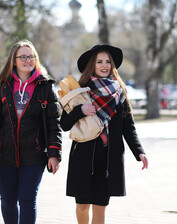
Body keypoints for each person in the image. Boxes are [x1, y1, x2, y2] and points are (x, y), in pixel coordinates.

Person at [0, 40, 62, 224]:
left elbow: (54, 124)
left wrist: (54, 154)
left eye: (31, 57)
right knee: (8, 201)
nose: (27, 60)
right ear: (14, 61)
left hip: (35, 155)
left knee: (27, 200)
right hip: (6, 154)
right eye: (23, 57)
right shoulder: (2, 86)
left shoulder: (45, 87)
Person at [60, 44, 148, 224]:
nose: (104, 65)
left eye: (108, 61)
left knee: (100, 209)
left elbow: (128, 127)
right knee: (82, 206)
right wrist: (80, 110)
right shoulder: (80, 90)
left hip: (108, 160)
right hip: (83, 158)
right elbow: (64, 124)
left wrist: (139, 151)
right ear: (92, 65)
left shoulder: (119, 93)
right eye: (99, 61)